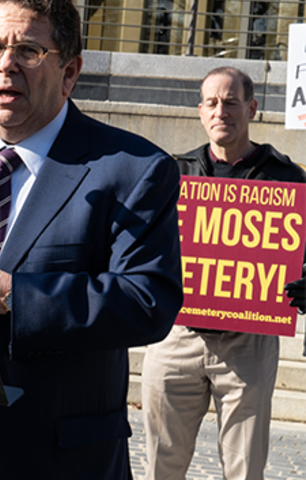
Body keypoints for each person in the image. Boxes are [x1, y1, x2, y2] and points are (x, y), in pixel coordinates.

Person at [0, 0, 184, 477]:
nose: (5, 64)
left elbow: (147, 301)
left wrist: (8, 293)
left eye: (29, 50)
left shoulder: (133, 170)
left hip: (49, 455)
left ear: (70, 71)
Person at [142, 67, 306, 480]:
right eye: (212, 103)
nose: (221, 111)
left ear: (251, 108)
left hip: (248, 344)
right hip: (176, 338)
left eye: (231, 102)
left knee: (245, 470)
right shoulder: (173, 174)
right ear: (200, 112)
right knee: (162, 466)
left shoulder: (288, 179)